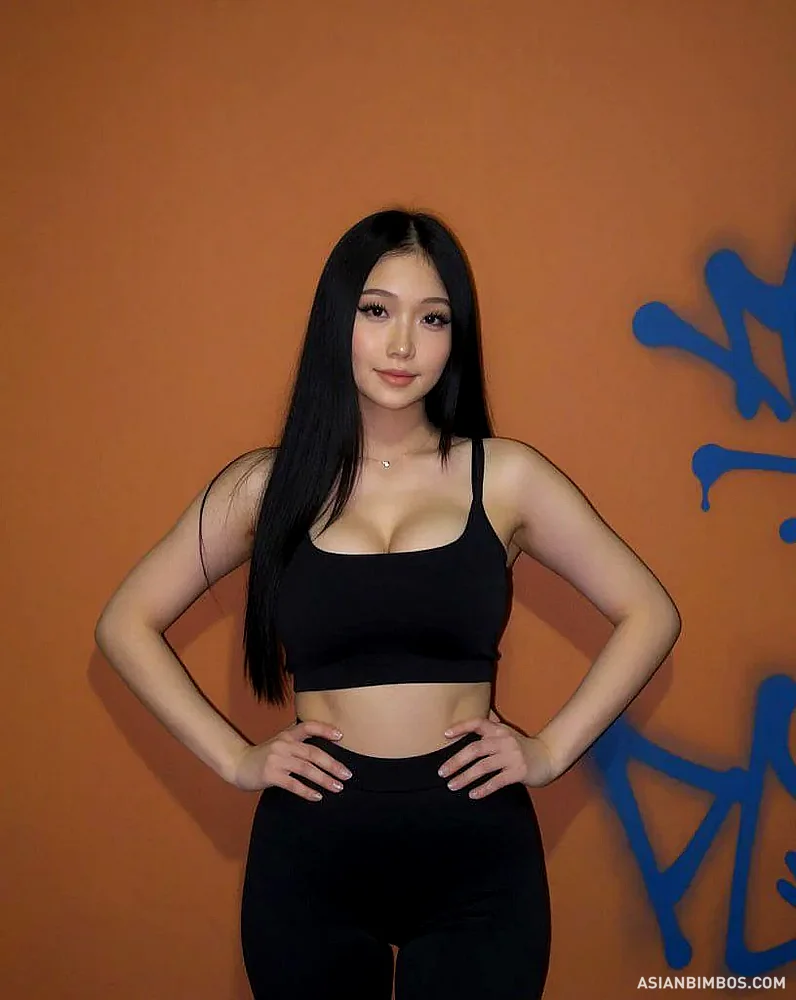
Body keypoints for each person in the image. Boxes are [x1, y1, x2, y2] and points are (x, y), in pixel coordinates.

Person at [94, 208, 682, 999]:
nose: (403, 344)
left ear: (455, 338)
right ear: (337, 320)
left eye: (432, 319)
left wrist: (549, 751)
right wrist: (235, 758)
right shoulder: (265, 487)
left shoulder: (505, 477)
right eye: (377, 311)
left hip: (477, 854)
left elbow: (650, 612)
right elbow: (124, 622)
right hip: (311, 855)